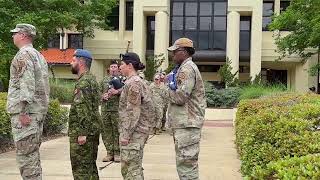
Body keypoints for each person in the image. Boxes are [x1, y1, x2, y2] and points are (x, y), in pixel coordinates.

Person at [7, 23, 49, 180]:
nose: (13, 36)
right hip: (36, 113)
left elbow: (27, 83)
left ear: (23, 35)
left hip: (26, 114)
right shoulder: (39, 55)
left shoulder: (23, 55)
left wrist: (23, 111)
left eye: (15, 33)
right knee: (32, 157)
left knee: (26, 158)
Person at [167, 38, 206, 180]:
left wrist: (166, 88)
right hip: (185, 124)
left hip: (187, 124)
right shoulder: (184, 68)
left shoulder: (187, 69)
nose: (173, 55)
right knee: (185, 166)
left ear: (183, 52)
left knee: (187, 168)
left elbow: (180, 97)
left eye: (175, 52)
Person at [118, 52, 155, 179]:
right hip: (136, 132)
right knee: (133, 169)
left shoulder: (133, 83)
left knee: (131, 170)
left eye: (122, 64)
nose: (120, 67)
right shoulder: (134, 81)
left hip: (134, 133)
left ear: (129, 66)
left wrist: (126, 134)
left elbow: (133, 111)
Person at [68, 49, 100, 180]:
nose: (71, 63)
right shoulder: (91, 79)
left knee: (81, 170)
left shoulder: (83, 82)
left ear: (81, 62)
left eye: (73, 60)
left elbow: (83, 109)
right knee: (90, 168)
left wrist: (82, 133)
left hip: (83, 134)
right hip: (92, 131)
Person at [100, 60, 124, 162]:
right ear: (109, 69)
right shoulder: (104, 80)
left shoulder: (122, 79)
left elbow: (126, 90)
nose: (113, 69)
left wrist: (117, 91)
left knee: (117, 131)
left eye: (115, 67)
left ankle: (117, 153)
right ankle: (109, 153)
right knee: (106, 132)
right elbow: (98, 93)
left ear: (118, 69)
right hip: (105, 110)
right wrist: (102, 96)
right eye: (112, 67)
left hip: (117, 110)